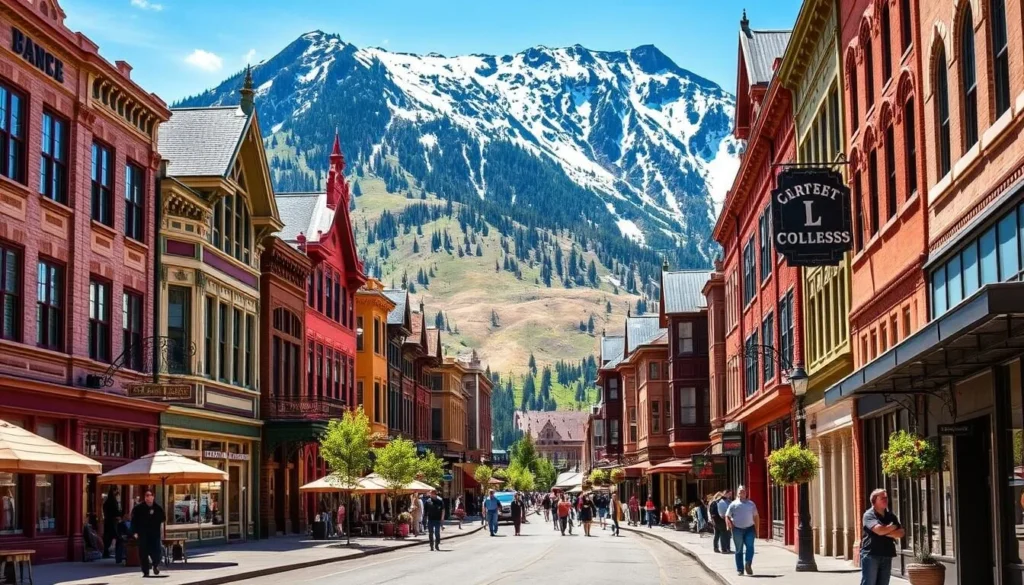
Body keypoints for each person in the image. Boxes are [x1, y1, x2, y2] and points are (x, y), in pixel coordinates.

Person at [860, 489, 904, 585]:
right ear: (874, 501)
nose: (886, 500)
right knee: (869, 582)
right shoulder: (869, 515)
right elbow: (879, 530)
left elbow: (901, 533)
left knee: (884, 583)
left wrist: (886, 531)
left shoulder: (891, 516)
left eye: (886, 498)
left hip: (887, 554)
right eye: (882, 498)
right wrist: (893, 527)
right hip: (871, 554)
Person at [725, 485, 759, 577]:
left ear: (746, 493)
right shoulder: (733, 504)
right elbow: (727, 515)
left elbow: (756, 517)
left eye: (743, 491)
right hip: (737, 529)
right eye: (740, 492)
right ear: (737, 493)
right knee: (739, 550)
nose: (742, 493)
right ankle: (740, 569)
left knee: (750, 547)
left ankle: (748, 563)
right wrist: (728, 525)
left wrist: (757, 530)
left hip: (749, 529)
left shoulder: (751, 504)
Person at [131, 489, 166, 578]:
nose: (147, 497)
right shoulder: (138, 508)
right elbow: (134, 521)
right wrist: (134, 532)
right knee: (143, 553)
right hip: (143, 534)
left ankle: (155, 565)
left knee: (156, 551)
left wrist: (161, 532)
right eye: (146, 495)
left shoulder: (158, 508)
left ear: (153, 497)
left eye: (149, 495)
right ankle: (145, 571)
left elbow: (163, 520)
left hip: (154, 534)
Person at [102, 486, 122, 559]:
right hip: (113, 522)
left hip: (107, 522)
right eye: (116, 491)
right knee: (119, 537)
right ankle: (118, 553)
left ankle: (106, 552)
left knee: (108, 537)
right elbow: (116, 512)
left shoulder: (107, 502)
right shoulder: (114, 502)